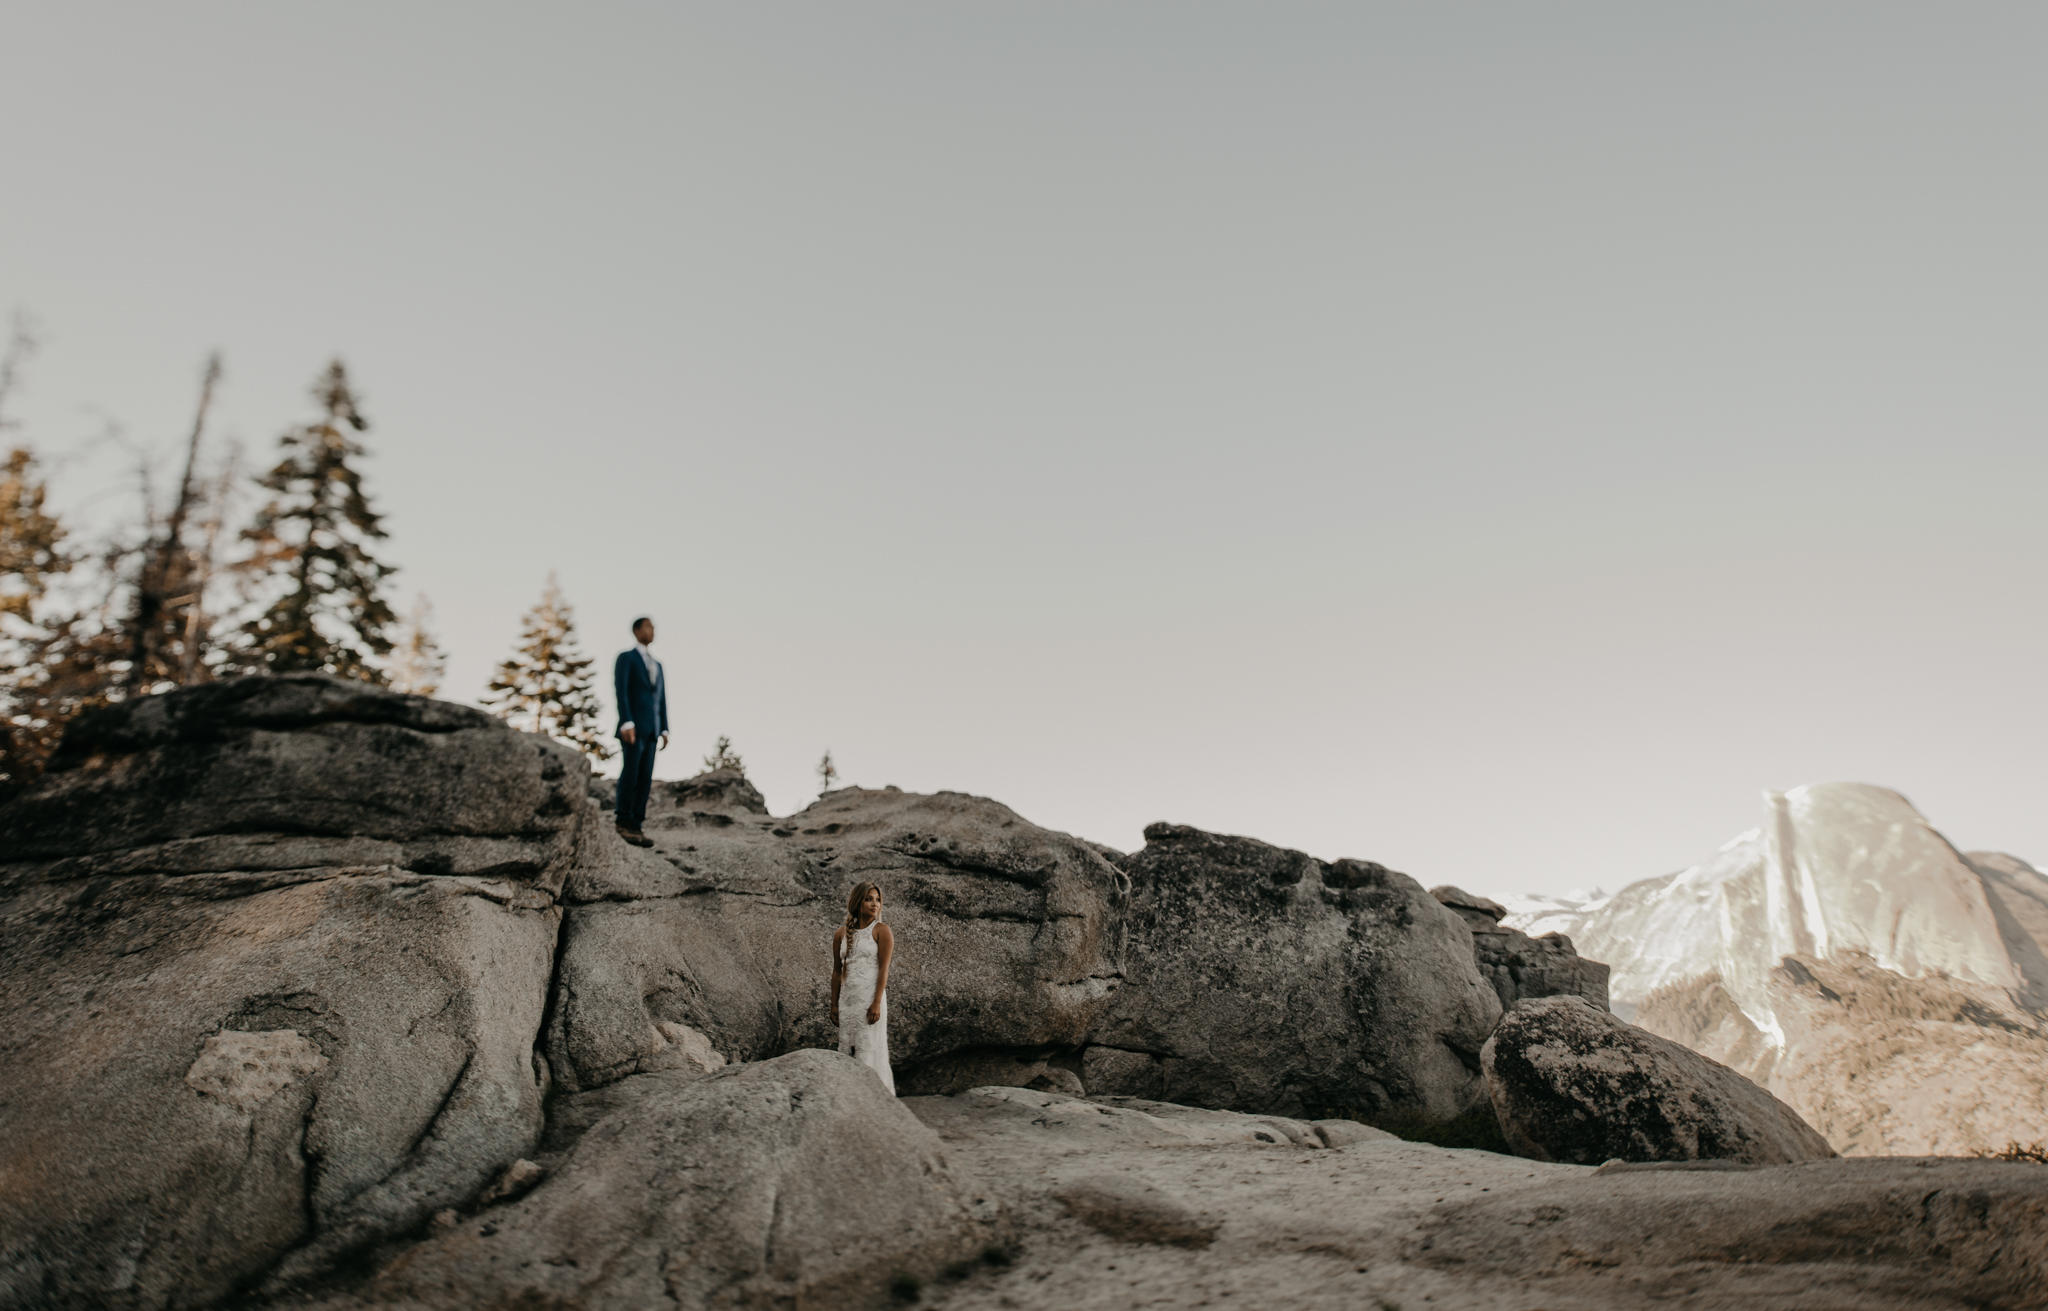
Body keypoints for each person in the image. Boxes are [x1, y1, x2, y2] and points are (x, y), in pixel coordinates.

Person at [830, 881, 895, 1093]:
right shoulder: (841, 933)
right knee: (847, 1049)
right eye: (869, 899)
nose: (874, 904)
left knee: (869, 1050)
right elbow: (837, 972)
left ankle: (875, 1098)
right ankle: (849, 1096)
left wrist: (876, 1003)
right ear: (857, 902)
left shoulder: (881, 931)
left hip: (870, 1002)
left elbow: (884, 969)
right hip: (848, 1003)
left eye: (877, 900)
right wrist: (834, 1005)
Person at [612, 616, 668, 848]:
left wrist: (664, 727)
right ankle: (623, 820)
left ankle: (637, 824)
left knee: (645, 776)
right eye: (648, 627)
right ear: (637, 630)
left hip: (652, 729)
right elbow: (621, 690)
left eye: (653, 627)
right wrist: (626, 722)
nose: (653, 630)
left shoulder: (658, 665)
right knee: (631, 772)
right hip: (633, 727)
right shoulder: (627, 658)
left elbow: (661, 699)